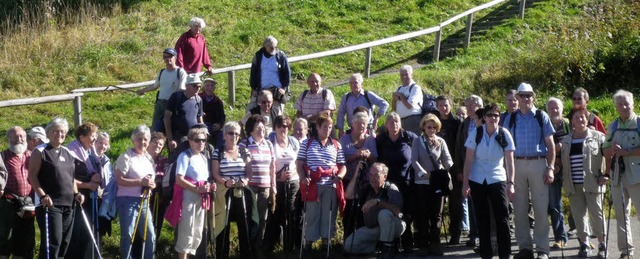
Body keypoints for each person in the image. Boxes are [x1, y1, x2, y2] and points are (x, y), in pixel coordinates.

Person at [502, 83, 556, 259]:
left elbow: (550, 144)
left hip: (538, 163)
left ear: (533, 97)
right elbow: (506, 148)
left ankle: (542, 249)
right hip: (516, 164)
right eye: (522, 95)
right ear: (517, 97)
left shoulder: (541, 116)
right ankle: (524, 248)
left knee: (540, 208)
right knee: (519, 208)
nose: (525, 99)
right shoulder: (510, 119)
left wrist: (550, 167)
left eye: (529, 95)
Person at [462, 104, 516, 259]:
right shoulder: (476, 133)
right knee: (482, 219)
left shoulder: (504, 134)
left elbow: (510, 161)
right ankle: (486, 254)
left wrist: (511, 183)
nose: (493, 118)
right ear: (484, 117)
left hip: (497, 178)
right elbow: (468, 160)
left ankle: (505, 254)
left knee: (502, 218)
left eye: (496, 115)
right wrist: (465, 184)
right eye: (490, 115)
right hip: (477, 179)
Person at [29, 118, 85, 259]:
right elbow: (32, 176)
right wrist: (42, 196)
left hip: (68, 204)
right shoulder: (40, 151)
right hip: (49, 204)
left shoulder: (67, 152)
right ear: (49, 133)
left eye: (63, 132)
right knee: (52, 243)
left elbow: (70, 178)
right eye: (56, 131)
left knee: (64, 242)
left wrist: (77, 193)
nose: (60, 134)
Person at [296, 114, 346, 256]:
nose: (328, 130)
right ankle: (308, 245)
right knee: (312, 215)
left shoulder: (336, 145)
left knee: (328, 215)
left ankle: (326, 244)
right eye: (325, 127)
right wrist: (303, 178)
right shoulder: (307, 143)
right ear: (317, 127)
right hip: (313, 185)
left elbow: (342, 166)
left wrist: (340, 176)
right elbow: (299, 164)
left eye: (330, 127)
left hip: (330, 184)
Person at [561, 108, 607, 258]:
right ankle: (585, 245)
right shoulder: (566, 140)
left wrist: (606, 175)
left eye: (583, 117)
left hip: (593, 183)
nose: (581, 120)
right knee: (579, 216)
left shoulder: (599, 137)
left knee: (597, 215)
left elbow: (607, 158)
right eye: (577, 117)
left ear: (587, 119)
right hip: (573, 184)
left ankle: (602, 245)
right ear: (572, 121)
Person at [602, 89, 640, 259]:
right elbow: (604, 150)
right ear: (616, 107)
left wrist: (627, 151)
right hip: (618, 174)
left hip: (637, 175)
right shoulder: (613, 125)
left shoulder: (639, 122)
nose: (624, 107)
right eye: (620, 104)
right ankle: (626, 251)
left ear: (633, 104)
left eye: (627, 103)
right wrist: (611, 151)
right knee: (620, 213)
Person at [411, 113, 453, 256]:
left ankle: (435, 242)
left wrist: (446, 170)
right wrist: (424, 174)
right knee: (422, 213)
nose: (432, 130)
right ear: (423, 127)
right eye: (429, 127)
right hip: (422, 182)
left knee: (437, 214)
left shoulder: (441, 141)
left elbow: (447, 159)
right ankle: (423, 243)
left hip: (437, 182)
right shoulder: (417, 141)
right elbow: (414, 161)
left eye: (434, 127)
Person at [376, 112, 418, 251]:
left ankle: (407, 242)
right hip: (388, 184)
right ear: (386, 124)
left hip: (406, 182)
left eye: (397, 121)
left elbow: (422, 148)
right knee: (391, 212)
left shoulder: (409, 137)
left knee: (407, 212)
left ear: (400, 123)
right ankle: (392, 243)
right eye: (391, 122)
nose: (394, 124)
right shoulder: (381, 140)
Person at [343, 162, 405, 258]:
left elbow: (398, 212)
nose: (372, 178)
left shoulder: (391, 188)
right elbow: (348, 195)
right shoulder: (367, 187)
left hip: (394, 226)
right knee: (349, 245)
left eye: (376, 175)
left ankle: (387, 251)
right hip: (374, 229)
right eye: (370, 174)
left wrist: (379, 202)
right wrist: (356, 174)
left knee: (384, 214)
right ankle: (377, 248)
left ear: (385, 176)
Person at [212, 122, 255, 259]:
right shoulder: (218, 151)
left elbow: (249, 172)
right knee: (223, 226)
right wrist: (225, 182)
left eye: (237, 133)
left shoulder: (244, 151)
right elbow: (215, 173)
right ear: (224, 135)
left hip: (242, 192)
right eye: (231, 133)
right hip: (224, 192)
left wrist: (246, 180)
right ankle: (222, 255)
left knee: (244, 226)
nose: (234, 136)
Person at [115, 125, 156, 259]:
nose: (142, 142)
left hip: (144, 201)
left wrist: (151, 184)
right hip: (127, 201)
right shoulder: (126, 157)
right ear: (133, 140)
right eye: (139, 139)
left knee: (150, 235)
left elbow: (150, 179)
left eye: (145, 139)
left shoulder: (148, 159)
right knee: (128, 235)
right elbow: (119, 180)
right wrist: (140, 182)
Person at [171, 127, 213, 258]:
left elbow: (203, 179)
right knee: (186, 232)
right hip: (188, 196)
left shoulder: (204, 158)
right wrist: (196, 189)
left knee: (197, 232)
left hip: (201, 197)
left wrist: (209, 187)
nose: (201, 143)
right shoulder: (184, 156)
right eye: (197, 140)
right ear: (190, 141)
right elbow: (179, 179)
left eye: (203, 140)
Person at [239, 115, 276, 256]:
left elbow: (272, 166)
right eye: (258, 127)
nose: (262, 130)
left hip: (265, 187)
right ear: (250, 130)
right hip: (250, 187)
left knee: (262, 219)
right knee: (250, 218)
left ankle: (258, 248)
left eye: (263, 127)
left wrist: (273, 186)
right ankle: (248, 248)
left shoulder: (269, 144)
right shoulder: (244, 144)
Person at [264, 115, 301, 253]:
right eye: (279, 126)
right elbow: (267, 165)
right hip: (276, 183)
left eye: (285, 126)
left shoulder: (294, 142)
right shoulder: (270, 142)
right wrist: (278, 176)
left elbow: (299, 161)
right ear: (275, 127)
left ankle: (290, 246)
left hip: (293, 182)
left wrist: (293, 173)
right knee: (275, 213)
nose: (282, 128)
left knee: (291, 212)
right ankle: (270, 246)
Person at [339, 112, 378, 243]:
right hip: (349, 180)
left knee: (363, 212)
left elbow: (375, 159)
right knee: (349, 212)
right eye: (359, 123)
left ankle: (362, 242)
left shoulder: (370, 139)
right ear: (353, 124)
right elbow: (341, 159)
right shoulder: (344, 139)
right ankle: (347, 241)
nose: (362, 126)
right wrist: (356, 154)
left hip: (365, 181)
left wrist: (368, 155)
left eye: (364, 124)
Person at [65, 122, 101, 259]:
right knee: (77, 235)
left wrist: (96, 176)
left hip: (89, 200)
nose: (95, 139)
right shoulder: (71, 152)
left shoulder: (91, 153)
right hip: (76, 199)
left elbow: (91, 173)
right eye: (92, 135)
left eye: (96, 135)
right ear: (81, 137)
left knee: (88, 233)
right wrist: (88, 185)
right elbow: (68, 179)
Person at [454, 95, 484, 247]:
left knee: (486, 204)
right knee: (472, 203)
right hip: (470, 168)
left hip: (487, 168)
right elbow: (459, 148)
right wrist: (460, 169)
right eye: (468, 105)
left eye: (473, 105)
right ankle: (474, 234)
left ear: (480, 106)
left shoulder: (487, 121)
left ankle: (486, 235)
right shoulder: (464, 124)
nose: (470, 108)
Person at [0, 126, 35, 259]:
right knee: (5, 239)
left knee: (24, 241)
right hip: (8, 203)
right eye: (15, 136)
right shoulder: (2, 156)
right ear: (8, 139)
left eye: (22, 136)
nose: (19, 139)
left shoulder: (31, 156)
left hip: (28, 204)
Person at [435, 95, 465, 245]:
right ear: (437, 106)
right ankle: (435, 235)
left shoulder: (458, 122)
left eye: (446, 105)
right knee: (438, 203)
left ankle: (456, 234)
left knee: (456, 204)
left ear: (451, 105)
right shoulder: (433, 122)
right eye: (440, 105)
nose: (443, 108)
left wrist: (460, 169)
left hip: (454, 167)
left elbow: (461, 147)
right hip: (438, 169)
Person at [136, 48, 188, 132]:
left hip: (172, 105)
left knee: (171, 128)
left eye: (170, 56)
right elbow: (154, 86)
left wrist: (173, 102)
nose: (167, 59)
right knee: (155, 127)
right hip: (160, 104)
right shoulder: (162, 72)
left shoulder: (180, 72)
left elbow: (181, 89)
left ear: (175, 58)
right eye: (165, 57)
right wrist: (142, 90)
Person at [545, 97, 569, 249]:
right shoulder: (544, 125)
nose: (554, 110)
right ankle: (560, 237)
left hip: (571, 168)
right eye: (551, 108)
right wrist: (557, 147)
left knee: (578, 203)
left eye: (557, 108)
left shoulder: (569, 124)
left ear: (562, 109)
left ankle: (584, 237)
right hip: (552, 168)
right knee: (554, 205)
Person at [336, 73, 389, 138]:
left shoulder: (368, 95)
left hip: (368, 130)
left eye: (356, 82)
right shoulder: (346, 97)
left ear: (361, 84)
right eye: (351, 83)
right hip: (352, 131)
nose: (353, 85)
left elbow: (384, 104)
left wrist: (376, 118)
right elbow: (340, 114)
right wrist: (340, 130)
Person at [249, 36, 291, 114]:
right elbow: (253, 73)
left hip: (277, 91)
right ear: (266, 46)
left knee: (277, 115)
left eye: (275, 47)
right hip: (262, 90)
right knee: (254, 112)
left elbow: (287, 73)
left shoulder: (281, 56)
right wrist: (254, 88)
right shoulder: (258, 56)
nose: (274, 49)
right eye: (271, 47)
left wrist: (283, 88)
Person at [164, 73, 204, 151]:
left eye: (200, 86)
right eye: (196, 86)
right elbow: (166, 117)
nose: (198, 89)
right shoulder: (176, 97)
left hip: (194, 136)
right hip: (178, 136)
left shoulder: (198, 99)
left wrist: (203, 134)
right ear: (187, 86)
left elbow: (200, 118)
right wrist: (170, 139)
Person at [147, 132, 168, 238]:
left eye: (161, 144)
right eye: (155, 142)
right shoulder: (142, 157)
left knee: (156, 222)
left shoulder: (163, 160)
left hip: (158, 196)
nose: (158, 146)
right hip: (142, 193)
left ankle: (153, 247)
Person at [392, 65, 423, 135]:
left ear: (411, 75)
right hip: (401, 120)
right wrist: (394, 99)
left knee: (413, 143)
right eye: (402, 75)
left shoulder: (415, 88)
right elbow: (394, 108)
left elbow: (409, 105)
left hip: (412, 120)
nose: (404, 77)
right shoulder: (400, 88)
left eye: (406, 74)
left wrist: (401, 96)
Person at [94, 131, 114, 238]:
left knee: (100, 231)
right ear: (94, 142)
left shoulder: (107, 161)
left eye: (105, 144)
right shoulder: (89, 157)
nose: (103, 146)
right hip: (91, 198)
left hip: (103, 199)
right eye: (100, 143)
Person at [200, 78, 226, 149]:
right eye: (207, 86)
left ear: (214, 88)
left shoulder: (218, 101)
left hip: (213, 125)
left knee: (222, 135)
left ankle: (218, 153)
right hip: (202, 124)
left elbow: (222, 116)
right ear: (204, 87)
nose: (209, 88)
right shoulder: (199, 98)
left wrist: (219, 124)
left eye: (212, 86)